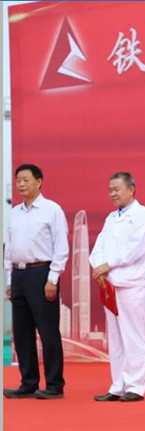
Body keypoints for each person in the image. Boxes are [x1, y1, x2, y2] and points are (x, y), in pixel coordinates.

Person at [3, 164, 69, 400]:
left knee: (47, 331)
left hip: (42, 273)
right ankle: (28, 382)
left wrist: (53, 278)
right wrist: (9, 279)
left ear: (39, 181)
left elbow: (61, 247)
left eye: (26, 180)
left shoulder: (52, 210)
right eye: (18, 180)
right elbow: (9, 248)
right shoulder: (14, 213)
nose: (21, 184)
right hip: (18, 275)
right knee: (22, 333)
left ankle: (54, 384)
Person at [90, 172, 145, 402]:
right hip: (110, 284)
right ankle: (118, 385)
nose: (113, 193)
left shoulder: (143, 215)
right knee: (116, 339)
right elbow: (98, 246)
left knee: (133, 336)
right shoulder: (111, 218)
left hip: (131, 284)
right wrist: (98, 266)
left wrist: (108, 264)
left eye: (117, 189)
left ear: (131, 189)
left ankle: (136, 386)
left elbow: (135, 249)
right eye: (110, 190)